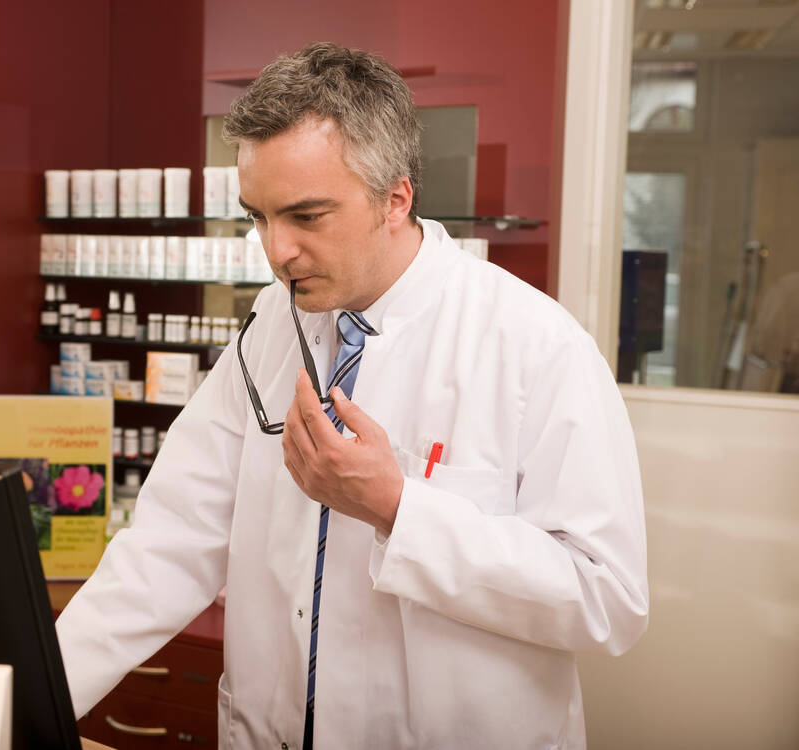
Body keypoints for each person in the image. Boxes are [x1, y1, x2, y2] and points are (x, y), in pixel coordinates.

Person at [56, 42, 648, 749]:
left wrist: (398, 509)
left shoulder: (535, 346)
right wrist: (25, 694)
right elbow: (170, 541)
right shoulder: (271, 326)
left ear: (395, 198)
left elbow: (606, 600)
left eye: (306, 217)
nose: (275, 253)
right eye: (257, 217)